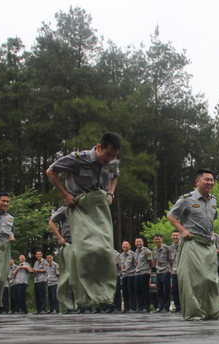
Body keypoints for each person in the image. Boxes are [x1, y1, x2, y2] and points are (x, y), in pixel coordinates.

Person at [45, 132, 121, 312]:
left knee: (105, 251)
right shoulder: (79, 159)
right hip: (80, 207)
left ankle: (103, 296)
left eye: (114, 156)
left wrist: (110, 193)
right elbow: (51, 171)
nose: (110, 159)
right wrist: (65, 195)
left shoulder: (113, 162)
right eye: (108, 154)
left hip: (99, 208)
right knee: (86, 252)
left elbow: (114, 175)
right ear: (99, 147)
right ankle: (81, 298)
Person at [167, 168, 219, 321]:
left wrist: (212, 233)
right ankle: (195, 313)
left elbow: (211, 220)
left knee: (210, 279)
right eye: (207, 179)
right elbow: (171, 216)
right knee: (193, 280)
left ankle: (211, 312)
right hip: (192, 243)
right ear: (197, 181)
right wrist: (182, 230)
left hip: (208, 244)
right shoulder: (187, 199)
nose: (210, 182)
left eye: (212, 180)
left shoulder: (213, 200)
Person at [133, 237, 154, 313]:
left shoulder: (146, 251)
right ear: (135, 243)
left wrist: (148, 269)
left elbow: (151, 262)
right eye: (137, 241)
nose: (138, 243)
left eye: (140, 241)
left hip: (144, 273)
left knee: (145, 290)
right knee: (138, 291)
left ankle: (146, 307)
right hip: (137, 273)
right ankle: (140, 307)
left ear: (142, 243)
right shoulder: (135, 252)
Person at [152, 234, 172, 313]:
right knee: (159, 290)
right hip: (158, 271)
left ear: (161, 239)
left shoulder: (167, 249)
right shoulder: (154, 250)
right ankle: (160, 306)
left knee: (166, 290)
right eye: (156, 239)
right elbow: (155, 261)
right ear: (154, 240)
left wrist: (170, 270)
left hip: (165, 271)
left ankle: (166, 307)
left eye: (158, 239)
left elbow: (170, 260)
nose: (157, 240)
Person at [118, 241, 137, 313]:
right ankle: (126, 307)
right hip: (124, 275)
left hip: (131, 275)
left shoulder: (132, 254)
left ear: (129, 246)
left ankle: (133, 307)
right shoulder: (121, 255)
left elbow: (136, 265)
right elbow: (120, 265)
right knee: (125, 292)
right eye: (123, 244)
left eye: (126, 244)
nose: (124, 246)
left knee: (131, 292)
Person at [169, 231, 181, 313]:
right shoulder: (170, 248)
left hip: (182, 271)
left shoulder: (183, 245)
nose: (175, 237)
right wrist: (171, 270)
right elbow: (171, 260)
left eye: (176, 235)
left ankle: (184, 307)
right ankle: (177, 307)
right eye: (173, 235)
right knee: (175, 290)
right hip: (174, 271)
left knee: (183, 290)